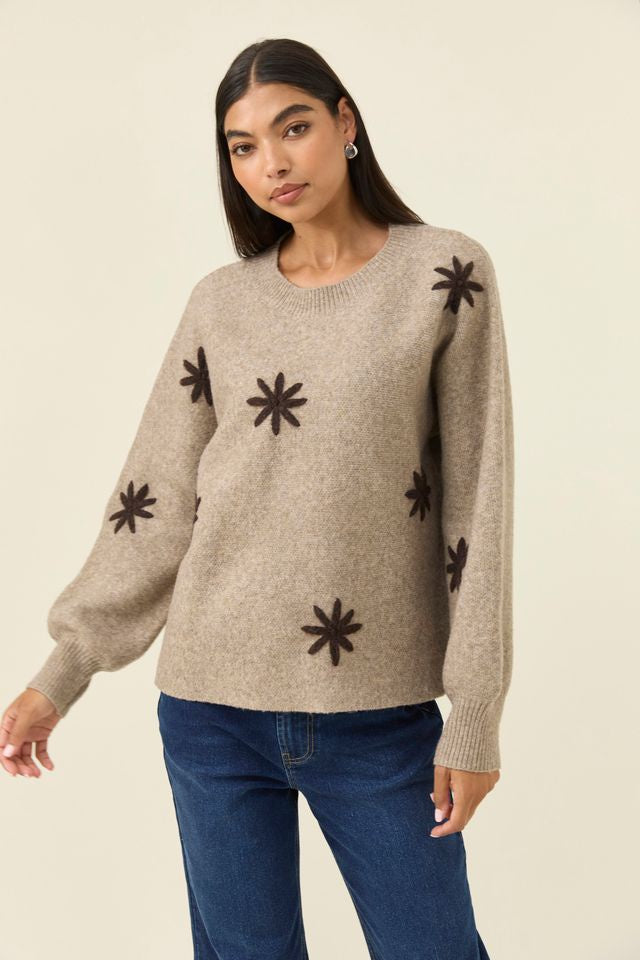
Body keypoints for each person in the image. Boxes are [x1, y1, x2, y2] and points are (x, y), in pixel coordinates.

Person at [1, 37, 514, 960]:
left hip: (380, 714)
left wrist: (474, 714)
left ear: (345, 123)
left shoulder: (445, 275)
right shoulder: (221, 302)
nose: (272, 163)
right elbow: (155, 495)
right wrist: (63, 672)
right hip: (209, 708)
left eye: (294, 128)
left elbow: (479, 509)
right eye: (242, 146)